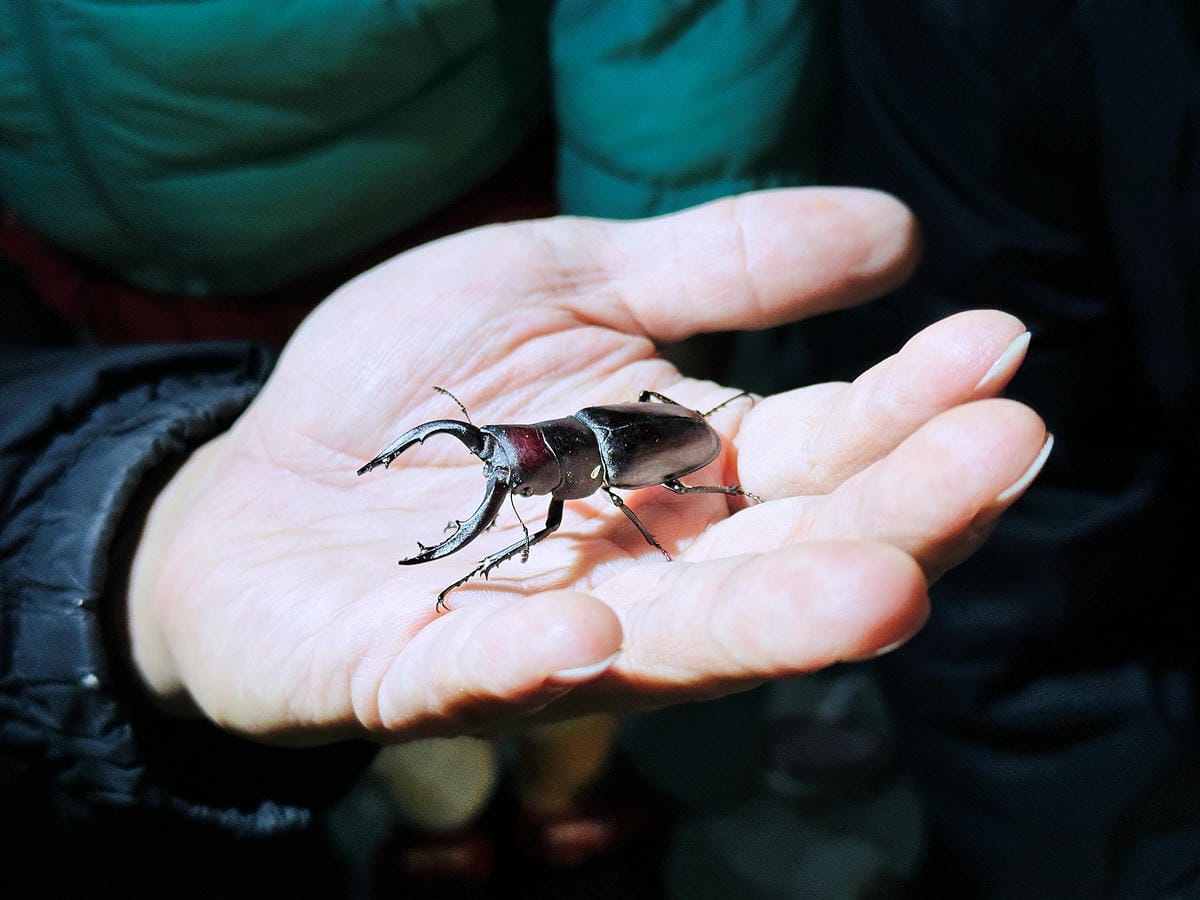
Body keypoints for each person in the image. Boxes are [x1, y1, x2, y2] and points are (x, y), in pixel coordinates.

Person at [2, 188, 1050, 894]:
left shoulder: (605, 469)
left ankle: (550, 816)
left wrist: (486, 548)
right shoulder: (546, 448)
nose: (500, 476)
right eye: (499, 457)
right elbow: (516, 466)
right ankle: (518, 825)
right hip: (604, 433)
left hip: (659, 448)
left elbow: (633, 476)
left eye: (509, 462)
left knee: (594, 564)